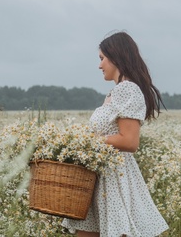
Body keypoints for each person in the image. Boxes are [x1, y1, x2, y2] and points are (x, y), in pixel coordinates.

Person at [62, 31, 169, 237]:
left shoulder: (127, 89)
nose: (99, 65)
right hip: (100, 176)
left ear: (116, 56)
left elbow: (129, 141)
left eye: (102, 58)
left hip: (113, 179)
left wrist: (89, 142)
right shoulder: (114, 93)